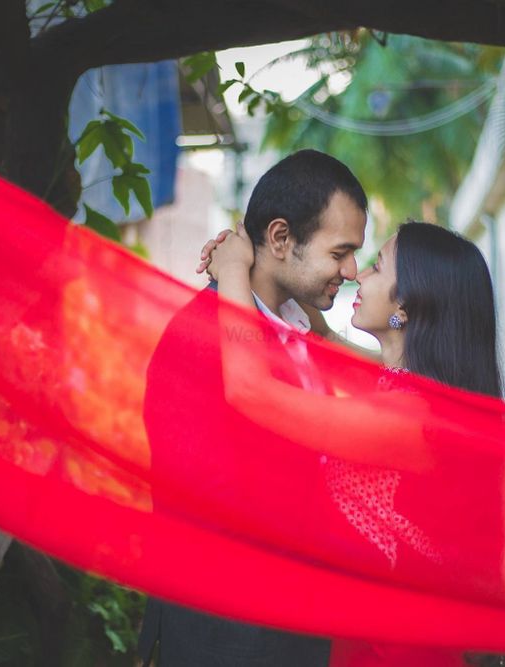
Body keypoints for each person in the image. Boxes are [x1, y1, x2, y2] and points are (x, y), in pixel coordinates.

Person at [203, 220, 505, 667]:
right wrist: (274, 263)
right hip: (384, 632)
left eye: (377, 266)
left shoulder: (410, 417)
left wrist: (232, 270)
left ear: (405, 303)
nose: (357, 275)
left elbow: (252, 394)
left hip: (393, 648)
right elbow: (324, 339)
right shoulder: (414, 389)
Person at [137, 149, 368, 667]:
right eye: (339, 253)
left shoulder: (300, 323)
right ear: (281, 239)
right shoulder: (199, 343)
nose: (351, 271)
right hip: (233, 639)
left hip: (300, 626)